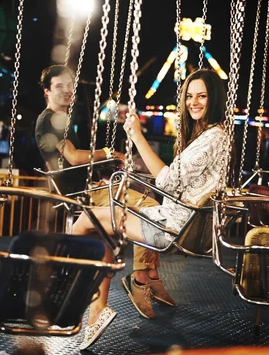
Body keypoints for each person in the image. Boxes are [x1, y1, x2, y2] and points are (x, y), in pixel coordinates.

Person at [71, 69, 229, 350]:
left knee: (86, 219)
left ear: (214, 98)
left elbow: (167, 182)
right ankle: (97, 306)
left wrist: (137, 137)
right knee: (97, 226)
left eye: (202, 96)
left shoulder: (214, 138)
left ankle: (69, 282)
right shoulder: (211, 136)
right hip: (171, 218)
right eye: (190, 96)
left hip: (169, 225)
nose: (194, 102)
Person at [34, 65, 175, 324]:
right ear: (46, 91)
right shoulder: (48, 121)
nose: (66, 91)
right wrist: (109, 153)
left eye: (68, 85)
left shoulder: (63, 121)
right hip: (85, 194)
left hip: (92, 187)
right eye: (58, 86)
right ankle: (143, 277)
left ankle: (143, 279)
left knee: (134, 218)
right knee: (150, 206)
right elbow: (73, 157)